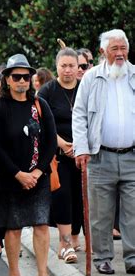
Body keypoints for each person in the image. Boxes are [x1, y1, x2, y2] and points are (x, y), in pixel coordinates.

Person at [0, 54, 57, 276]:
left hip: (39, 177)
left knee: (41, 224)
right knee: (13, 227)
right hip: (10, 178)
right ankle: (15, 275)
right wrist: (18, 174)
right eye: (17, 76)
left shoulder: (39, 104)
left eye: (27, 77)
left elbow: (50, 143)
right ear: (7, 79)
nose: (22, 81)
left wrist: (36, 172)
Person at [73, 29, 135, 275]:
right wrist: (81, 148)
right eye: (114, 49)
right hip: (99, 156)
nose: (120, 54)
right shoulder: (91, 78)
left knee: (133, 212)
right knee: (100, 213)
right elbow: (78, 115)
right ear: (102, 52)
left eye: (123, 49)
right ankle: (103, 258)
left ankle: (132, 258)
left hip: (132, 155)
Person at [38, 48, 83, 263]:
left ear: (78, 67)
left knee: (81, 199)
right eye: (63, 65)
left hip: (84, 153)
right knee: (63, 197)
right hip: (58, 153)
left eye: (71, 65)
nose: (67, 70)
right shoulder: (47, 91)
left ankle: (75, 239)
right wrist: (64, 144)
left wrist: (82, 145)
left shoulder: (86, 88)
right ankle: (64, 244)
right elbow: (41, 123)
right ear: (56, 66)